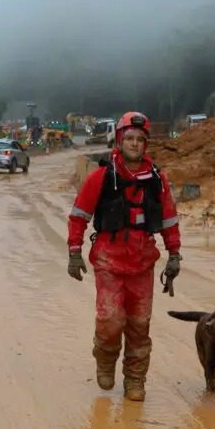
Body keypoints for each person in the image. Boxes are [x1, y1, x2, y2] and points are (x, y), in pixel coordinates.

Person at [66, 111, 182, 402]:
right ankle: (105, 360)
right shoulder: (102, 177)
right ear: (119, 141)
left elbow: (169, 219)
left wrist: (174, 255)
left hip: (142, 261)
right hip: (108, 259)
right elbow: (79, 215)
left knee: (140, 324)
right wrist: (74, 252)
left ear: (146, 144)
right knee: (110, 319)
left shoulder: (157, 179)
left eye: (140, 139)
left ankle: (135, 380)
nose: (134, 143)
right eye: (129, 138)